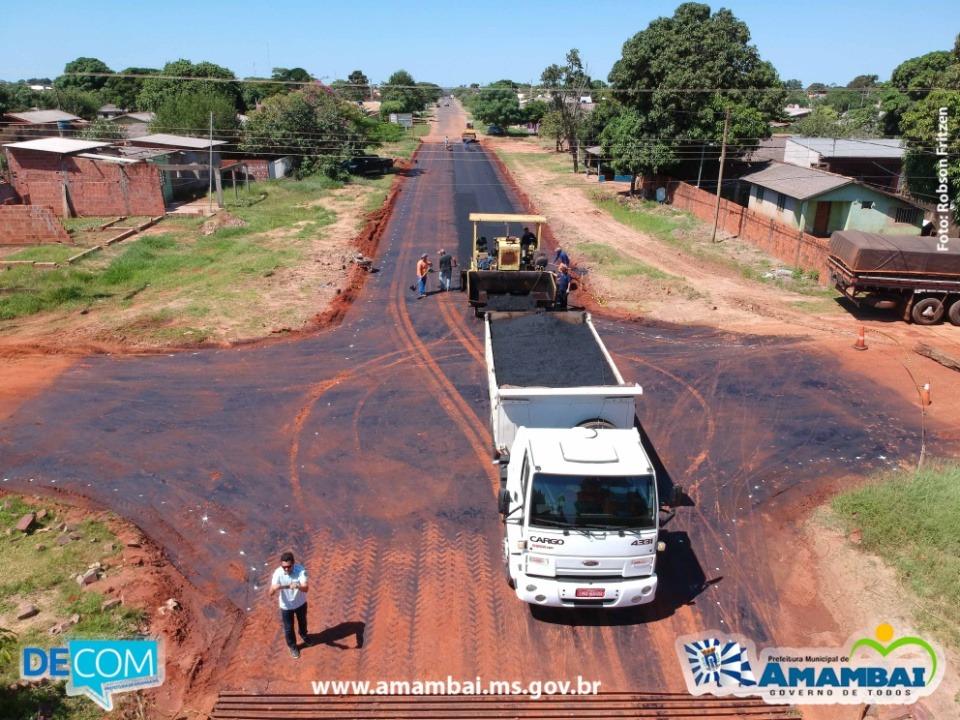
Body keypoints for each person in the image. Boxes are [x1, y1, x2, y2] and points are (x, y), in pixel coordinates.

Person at [270, 551, 311, 658]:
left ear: (294, 563)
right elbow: (270, 592)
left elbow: (306, 588)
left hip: (300, 603)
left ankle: (303, 635)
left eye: (289, 566)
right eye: (284, 567)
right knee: (288, 628)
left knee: (302, 621)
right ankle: (292, 646)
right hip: (286, 606)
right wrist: (273, 589)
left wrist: (297, 586)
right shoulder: (277, 573)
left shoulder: (301, 570)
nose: (286, 569)